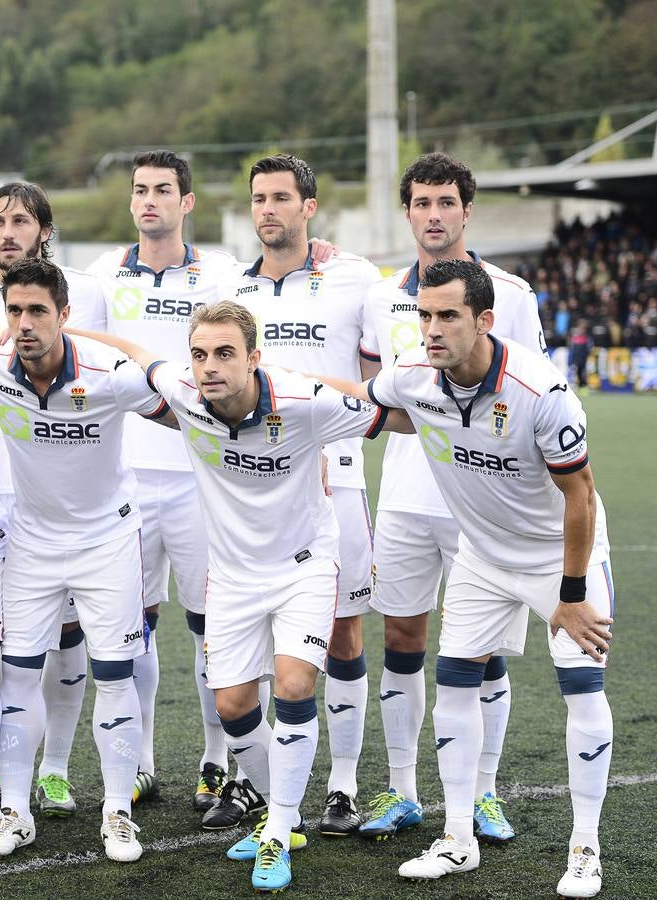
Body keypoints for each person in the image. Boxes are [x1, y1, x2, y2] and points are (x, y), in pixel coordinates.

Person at [74, 300, 411, 892]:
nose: (209, 366)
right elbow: (138, 356)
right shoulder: (183, 392)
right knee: (231, 705)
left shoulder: (303, 402)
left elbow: (392, 416)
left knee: (294, 685)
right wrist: (63, 329)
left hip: (304, 567)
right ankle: (281, 813)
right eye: (200, 354)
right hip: (231, 575)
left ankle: (277, 830)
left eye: (225, 353)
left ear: (254, 358)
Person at [340, 258, 614, 898]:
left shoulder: (541, 391)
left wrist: (572, 595)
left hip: (559, 558)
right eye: (423, 315)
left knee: (581, 688)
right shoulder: (413, 374)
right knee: (455, 683)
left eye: (448, 316)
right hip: (482, 557)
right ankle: (458, 838)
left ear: (485, 320)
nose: (431, 329)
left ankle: (585, 849)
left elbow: (580, 496)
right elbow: (359, 402)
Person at [0, 257, 173, 863]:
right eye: (14, 310)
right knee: (17, 675)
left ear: (64, 315)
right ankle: (15, 812)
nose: (24, 323)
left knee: (114, 675)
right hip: (33, 542)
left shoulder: (107, 373)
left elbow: (185, 414)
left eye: (38, 311)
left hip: (107, 541)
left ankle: (118, 813)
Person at [355, 152, 546, 843]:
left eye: (446, 203)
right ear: (406, 212)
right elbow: (373, 395)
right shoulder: (381, 298)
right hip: (406, 498)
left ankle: (484, 794)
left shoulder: (511, 295)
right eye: (421, 203)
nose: (433, 215)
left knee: (482, 651)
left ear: (467, 210)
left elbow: (535, 394)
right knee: (401, 638)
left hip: (485, 504)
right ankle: (402, 789)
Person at [216, 154, 381, 839]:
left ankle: (342, 785)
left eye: (281, 198)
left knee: (342, 632)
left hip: (336, 477)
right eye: (259, 198)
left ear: (309, 207)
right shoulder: (230, 287)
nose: (268, 210)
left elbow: (379, 382)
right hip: (253, 488)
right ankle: (257, 784)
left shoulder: (355, 278)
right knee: (245, 642)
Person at [84, 151, 242, 812]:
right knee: (134, 623)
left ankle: (216, 761)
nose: (150, 200)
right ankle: (142, 762)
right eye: (140, 189)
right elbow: (47, 307)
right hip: (123, 479)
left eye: (163, 190)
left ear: (187, 202)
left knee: (213, 624)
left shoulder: (223, 273)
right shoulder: (100, 274)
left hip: (201, 478)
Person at [0, 181, 108, 817]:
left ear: (45, 228)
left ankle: (57, 768)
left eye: (20, 220)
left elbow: (102, 371)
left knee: (66, 635)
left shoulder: (83, 291)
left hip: (61, 489)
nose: (7, 232)